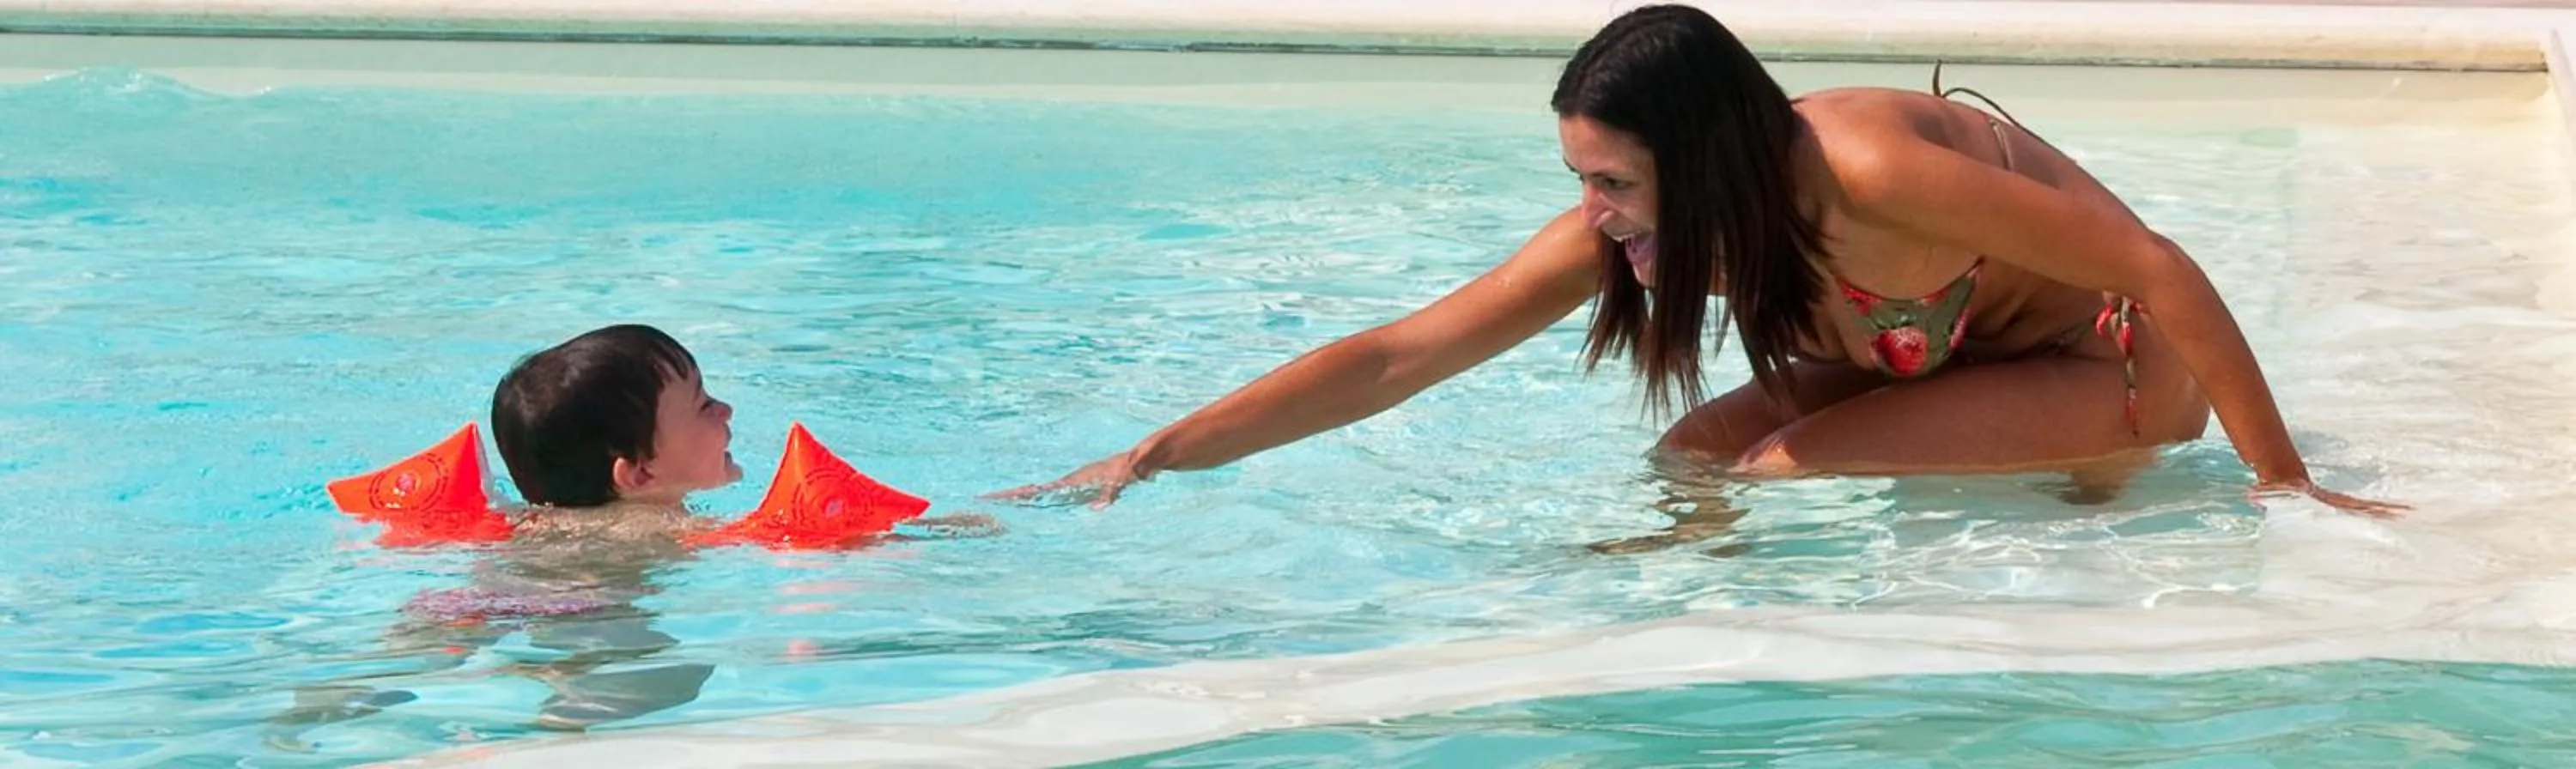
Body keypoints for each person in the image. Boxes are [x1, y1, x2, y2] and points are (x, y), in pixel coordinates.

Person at [990, 4, 2406, 527]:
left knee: (1779, 468)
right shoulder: (1645, 227)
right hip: (1937, 361)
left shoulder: (1869, 173)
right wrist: (1156, 454)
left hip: (2108, 369)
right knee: (1691, 463)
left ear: (1708, 158)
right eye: (1581, 180)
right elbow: (1399, 355)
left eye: (1614, 180)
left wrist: (2286, 490)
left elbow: (2160, 268)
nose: (1595, 214)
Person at [269, 324, 990, 748]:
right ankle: (550, 739)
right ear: (638, 474)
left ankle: (319, 706)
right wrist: (942, 531)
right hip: (586, 608)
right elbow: (793, 540)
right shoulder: (662, 529)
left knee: (406, 655)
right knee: (661, 686)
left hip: (477, 593)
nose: (726, 410)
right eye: (703, 406)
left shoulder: (526, 520)